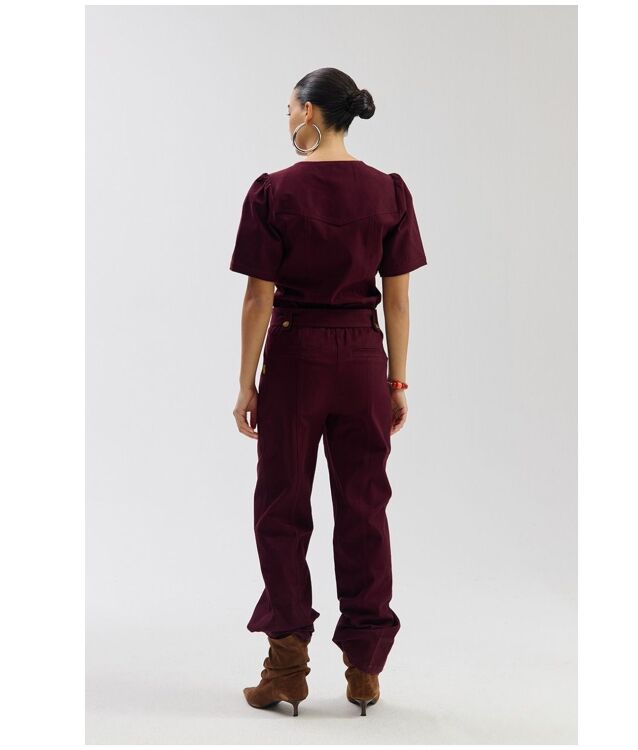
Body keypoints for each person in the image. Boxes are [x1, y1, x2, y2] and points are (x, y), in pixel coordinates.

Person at [229, 67, 428, 717]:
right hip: (364, 359)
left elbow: (258, 296)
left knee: (282, 505)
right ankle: (365, 667)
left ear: (311, 112)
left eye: (290, 108)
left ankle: (287, 666)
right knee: (364, 508)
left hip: (295, 357)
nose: (288, 119)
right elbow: (397, 299)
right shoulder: (388, 191)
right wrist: (396, 379)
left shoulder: (274, 190)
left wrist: (246, 383)